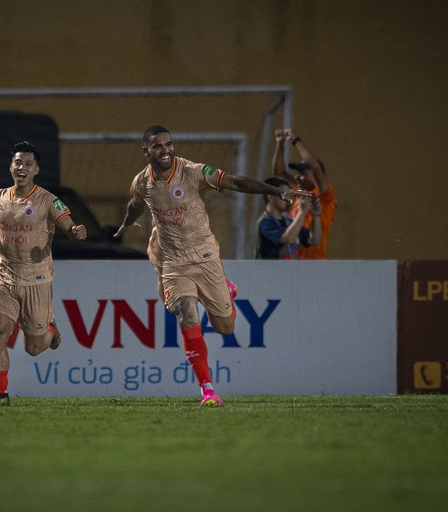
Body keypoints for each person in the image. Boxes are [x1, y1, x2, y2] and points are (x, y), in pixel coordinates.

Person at [114, 125, 309, 407]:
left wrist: (276, 191)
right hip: (173, 261)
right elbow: (136, 203)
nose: (166, 150)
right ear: (146, 151)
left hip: (204, 256)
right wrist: (126, 223)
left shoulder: (193, 172)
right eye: (157, 146)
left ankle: (227, 291)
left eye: (169, 143)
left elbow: (234, 182)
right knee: (185, 311)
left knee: (225, 328)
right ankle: (207, 389)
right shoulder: (142, 182)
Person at [0, 141, 87, 406]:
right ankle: (0, 394)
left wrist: (75, 232)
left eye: (27, 163)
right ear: (10, 166)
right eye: (17, 162)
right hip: (4, 277)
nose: (21, 167)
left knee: (34, 348)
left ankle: (50, 329)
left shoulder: (48, 200)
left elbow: (69, 226)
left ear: (36, 169)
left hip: (36, 279)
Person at [271, 129, 337, 259]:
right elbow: (279, 172)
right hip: (294, 262)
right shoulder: (299, 192)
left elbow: (315, 166)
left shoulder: (324, 195)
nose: (297, 177)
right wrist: (280, 144)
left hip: (312, 262)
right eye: (297, 173)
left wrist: (295, 141)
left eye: (303, 173)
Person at [256, 177, 322, 259]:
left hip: (290, 270)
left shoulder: (289, 223)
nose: (289, 200)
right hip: (271, 271)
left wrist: (315, 215)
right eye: (285, 195)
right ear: (271, 197)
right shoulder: (265, 223)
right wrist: (301, 212)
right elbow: (287, 238)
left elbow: (314, 240)